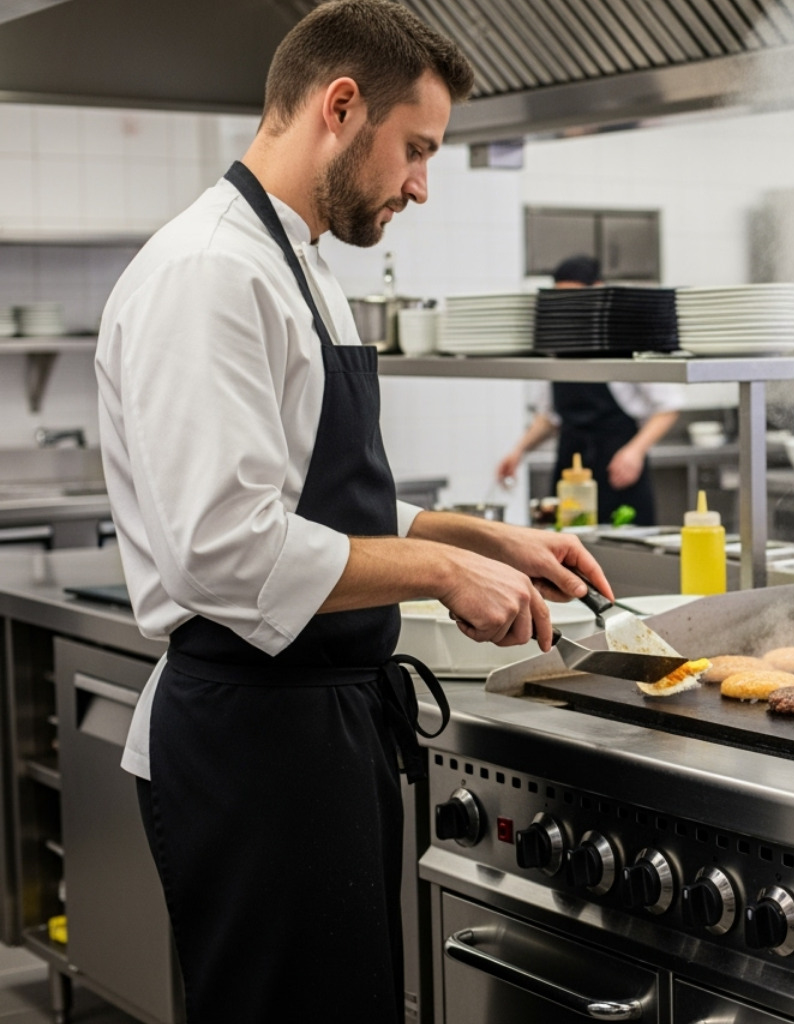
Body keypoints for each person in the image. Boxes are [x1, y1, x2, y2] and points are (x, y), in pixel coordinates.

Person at [94, 4, 612, 1021]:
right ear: (341, 106)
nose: (421, 183)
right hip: (255, 741)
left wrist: (481, 535)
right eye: (416, 150)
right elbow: (221, 547)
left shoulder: (299, 263)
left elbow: (318, 498)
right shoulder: (209, 272)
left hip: (323, 725)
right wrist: (442, 574)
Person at [495, 255, 683, 525]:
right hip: (570, 468)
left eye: (576, 296)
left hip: (616, 467)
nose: (570, 306)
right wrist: (518, 451)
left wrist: (635, 452)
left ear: (598, 289)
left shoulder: (624, 338)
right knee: (566, 553)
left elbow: (668, 406)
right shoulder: (558, 344)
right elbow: (549, 417)